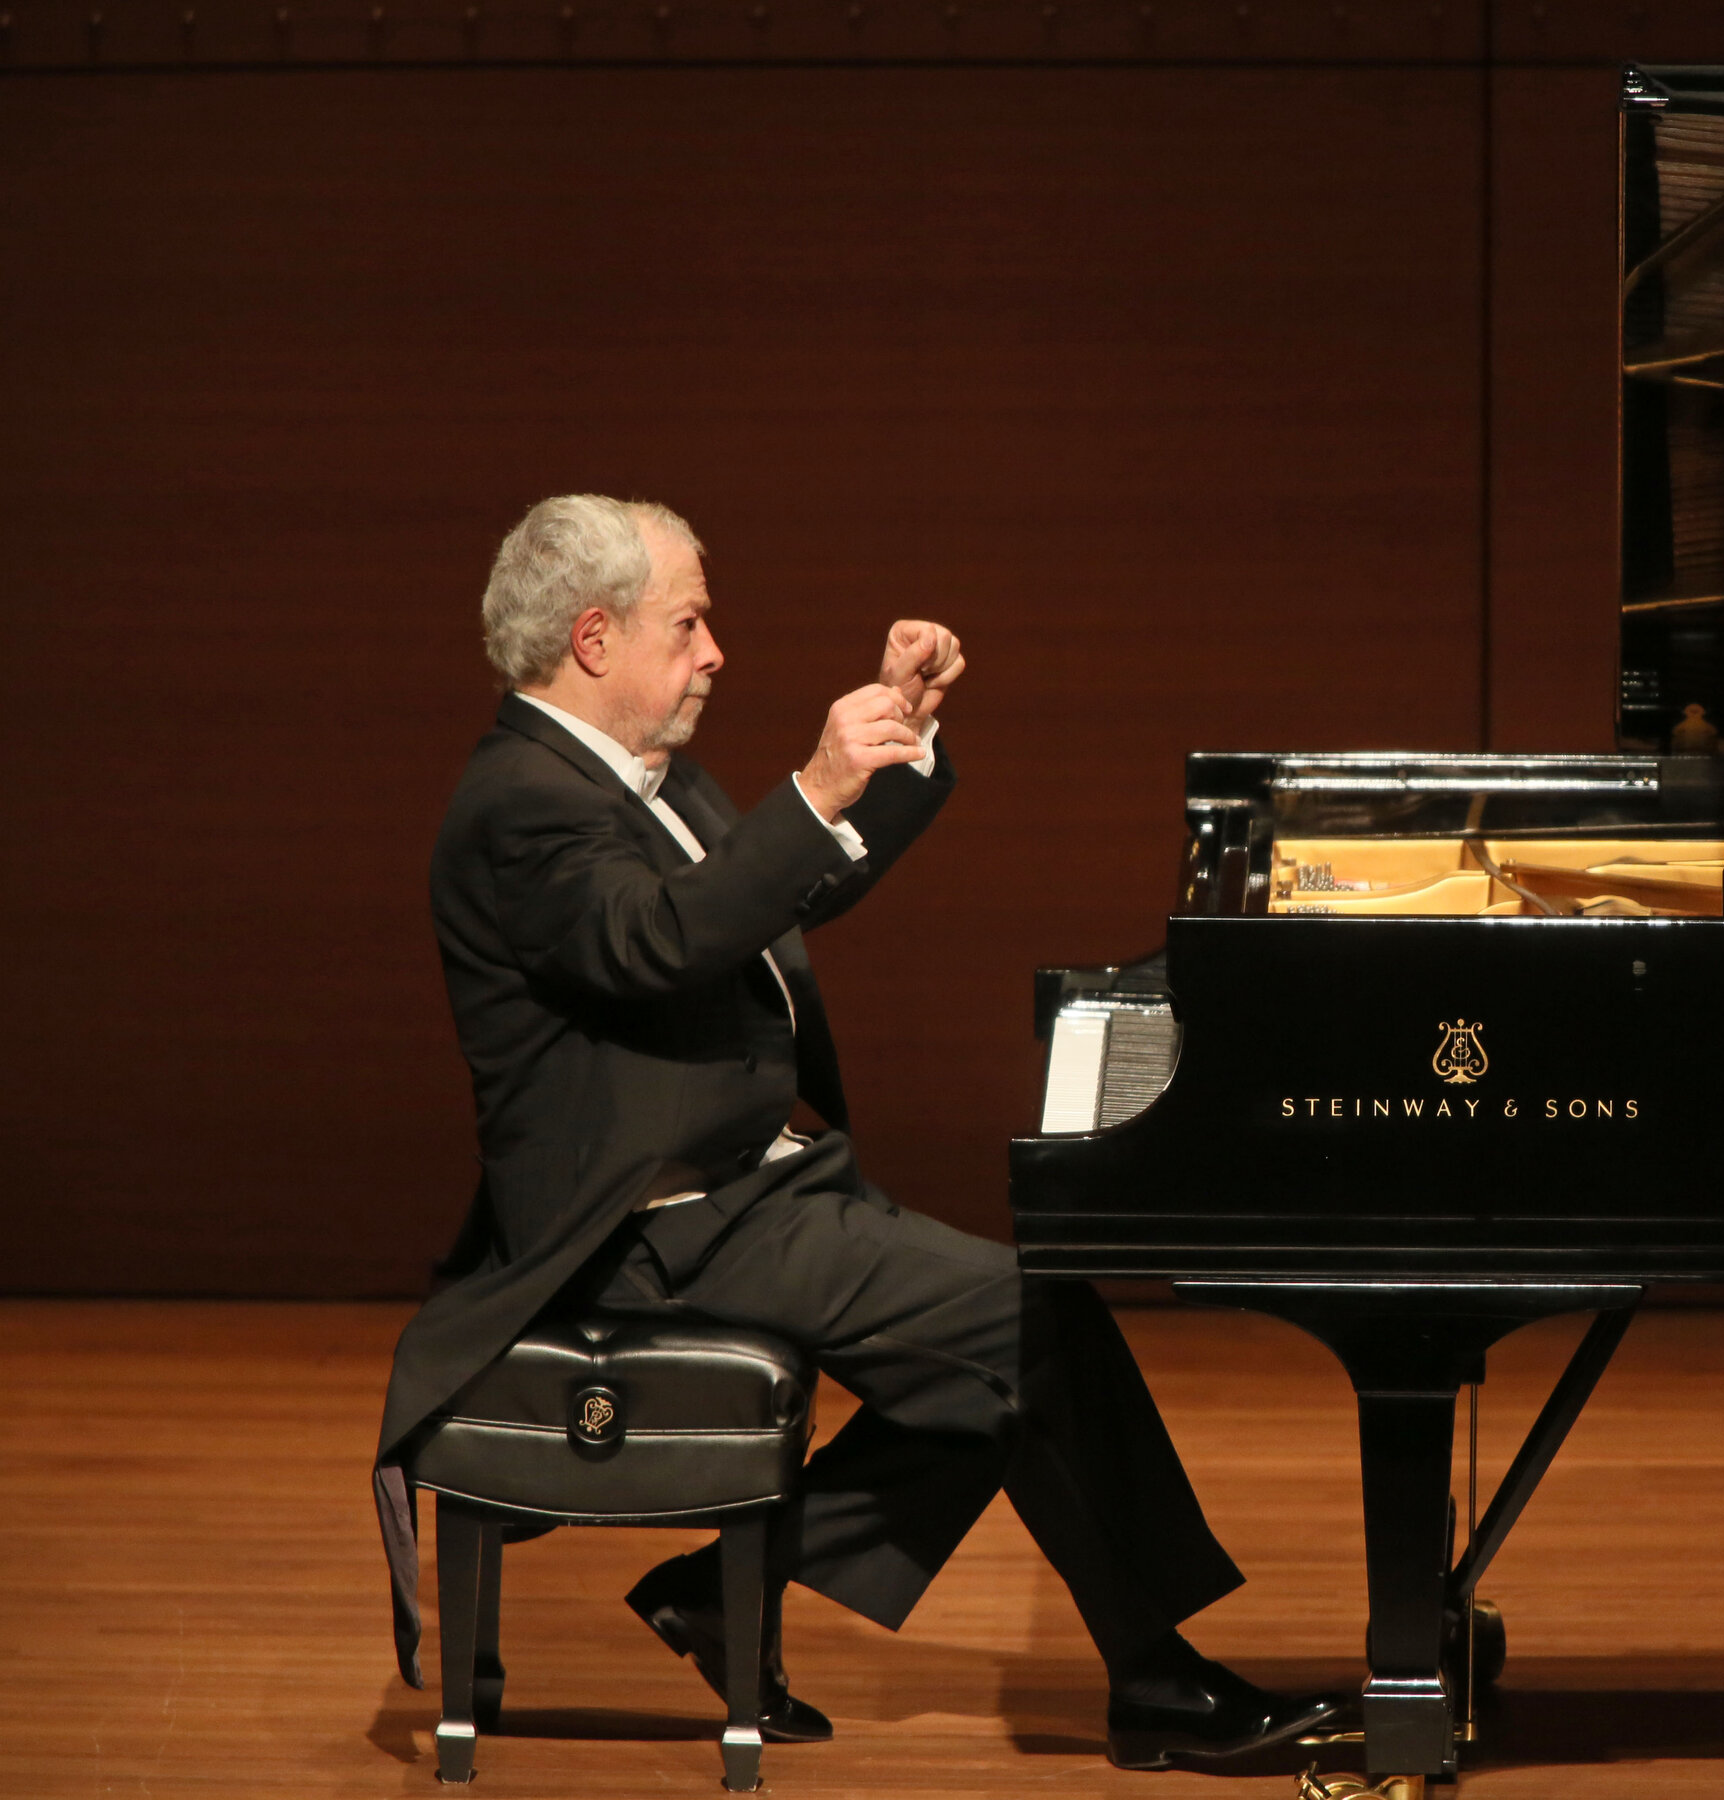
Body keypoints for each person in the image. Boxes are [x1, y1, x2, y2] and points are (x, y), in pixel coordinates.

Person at [374, 494, 1342, 1770]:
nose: (715, 652)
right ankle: (1156, 1684)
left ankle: (720, 1595)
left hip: (748, 1192)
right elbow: (658, 940)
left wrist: (895, 742)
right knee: (1029, 1327)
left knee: (998, 1363)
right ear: (594, 639)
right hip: (651, 1229)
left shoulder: (633, 776)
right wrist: (815, 782)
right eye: (688, 624)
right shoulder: (522, 802)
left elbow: (779, 887)